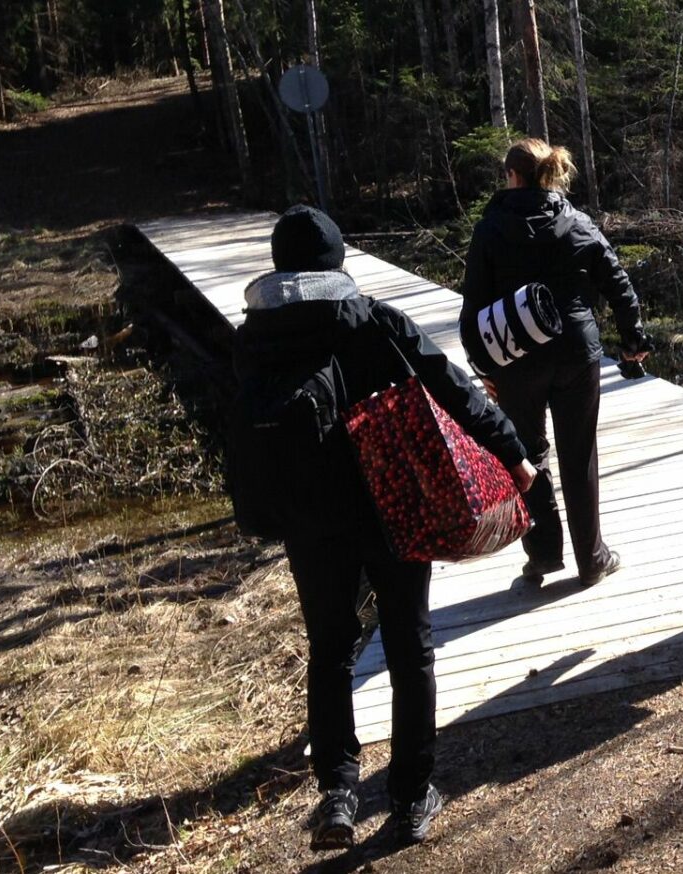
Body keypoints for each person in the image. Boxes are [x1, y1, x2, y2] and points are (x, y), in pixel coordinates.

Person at [226, 205, 537, 849]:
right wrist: (511, 451)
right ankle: (410, 794)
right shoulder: (371, 319)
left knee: (331, 649)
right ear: (339, 259)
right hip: (391, 503)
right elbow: (452, 387)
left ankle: (337, 792)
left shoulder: (252, 337)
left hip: (306, 516)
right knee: (408, 646)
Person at [456, 138, 649, 586]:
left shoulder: (490, 228)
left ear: (513, 176)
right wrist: (633, 336)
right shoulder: (575, 221)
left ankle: (543, 554)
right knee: (578, 452)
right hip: (576, 353)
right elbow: (615, 278)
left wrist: (483, 366)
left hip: (516, 357)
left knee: (526, 452)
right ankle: (592, 558)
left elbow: (473, 307)